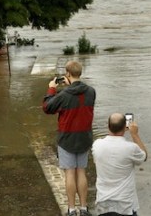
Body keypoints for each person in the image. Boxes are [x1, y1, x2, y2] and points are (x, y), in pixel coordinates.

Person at [42, 60, 96, 216]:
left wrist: (52, 89)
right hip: (84, 138)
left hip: (67, 139)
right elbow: (79, 98)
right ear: (81, 73)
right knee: (81, 171)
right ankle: (84, 208)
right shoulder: (91, 91)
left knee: (70, 173)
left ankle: (72, 210)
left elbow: (47, 108)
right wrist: (70, 85)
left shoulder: (64, 95)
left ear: (67, 74)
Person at [92, 113, 148, 216]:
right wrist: (134, 134)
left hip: (103, 203)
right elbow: (144, 156)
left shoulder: (97, 145)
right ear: (125, 127)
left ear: (108, 126)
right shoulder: (131, 148)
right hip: (125, 204)